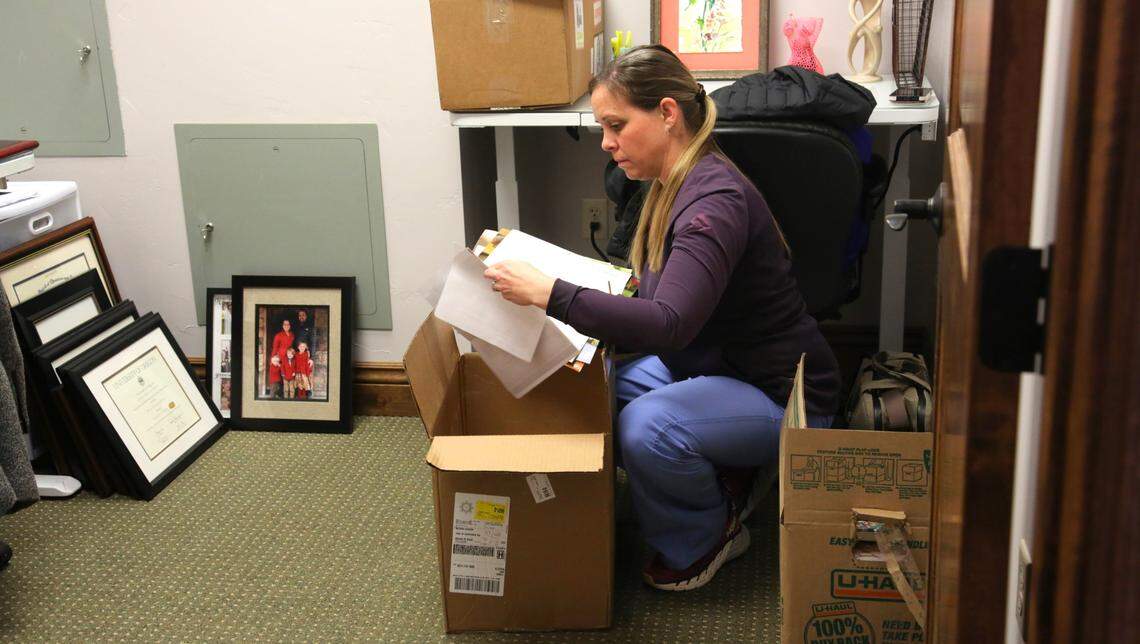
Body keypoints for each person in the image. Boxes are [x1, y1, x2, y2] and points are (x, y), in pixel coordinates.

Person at [483, 45, 841, 591]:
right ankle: (726, 470)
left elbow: (668, 322)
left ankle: (707, 536)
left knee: (644, 428)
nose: (606, 142)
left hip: (787, 399)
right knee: (600, 385)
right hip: (718, 365)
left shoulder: (711, 203)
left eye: (616, 125)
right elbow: (655, 298)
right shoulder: (673, 185)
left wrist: (553, 293)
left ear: (668, 113)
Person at [268, 318, 294, 398]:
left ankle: (284, 395)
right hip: (279, 357)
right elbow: (275, 347)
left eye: (288, 324)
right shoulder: (278, 335)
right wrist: (273, 358)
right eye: (285, 324)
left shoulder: (292, 335)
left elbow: (291, 347)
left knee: (286, 375)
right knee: (276, 375)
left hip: (287, 357)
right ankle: (274, 394)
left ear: (290, 326)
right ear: (282, 326)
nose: (286, 326)